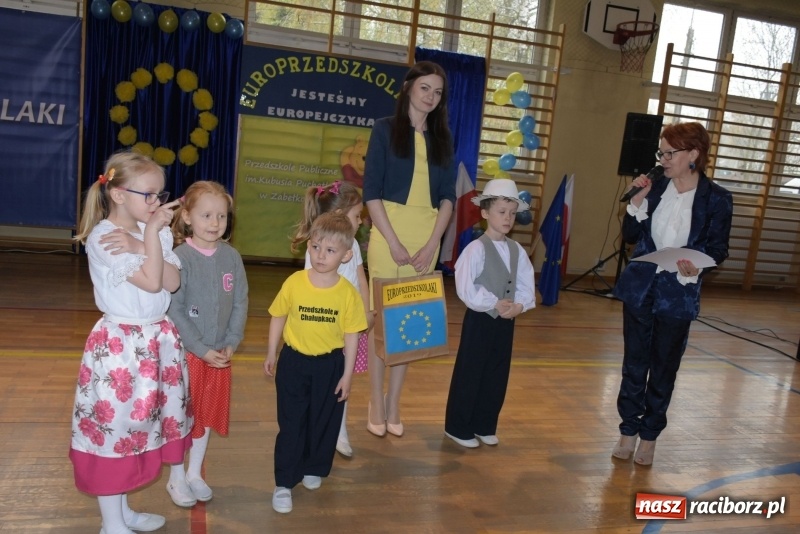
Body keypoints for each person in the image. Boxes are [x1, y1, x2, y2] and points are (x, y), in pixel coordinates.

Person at [69, 151, 192, 534]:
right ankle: (111, 524)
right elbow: (153, 281)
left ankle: (122, 513)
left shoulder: (146, 233)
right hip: (122, 346)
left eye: (159, 195)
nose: (157, 203)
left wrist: (145, 241)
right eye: (150, 195)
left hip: (157, 341)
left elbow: (173, 282)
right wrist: (151, 237)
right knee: (116, 430)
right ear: (119, 194)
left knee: (141, 428)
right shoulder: (105, 238)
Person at [612, 121, 733, 466]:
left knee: (664, 367)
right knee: (634, 363)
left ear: (693, 154)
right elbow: (631, 235)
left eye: (670, 153)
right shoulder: (654, 187)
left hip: (677, 293)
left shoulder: (717, 199)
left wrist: (701, 266)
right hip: (641, 287)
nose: (662, 159)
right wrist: (635, 201)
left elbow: (718, 248)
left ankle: (649, 437)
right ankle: (627, 430)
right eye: (660, 152)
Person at [362, 60, 456, 437]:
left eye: (437, 92)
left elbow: (448, 197)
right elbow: (371, 192)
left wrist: (433, 241)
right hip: (388, 235)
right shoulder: (384, 130)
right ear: (408, 88)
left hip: (425, 238)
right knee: (380, 321)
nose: (431, 97)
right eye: (425, 89)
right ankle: (375, 400)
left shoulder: (443, 139)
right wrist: (393, 241)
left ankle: (395, 403)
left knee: (410, 326)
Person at [264, 212, 367, 514]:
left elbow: (352, 335)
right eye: (316, 247)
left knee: (323, 421)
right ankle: (284, 482)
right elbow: (278, 315)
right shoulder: (295, 282)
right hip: (294, 362)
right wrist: (272, 351)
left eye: (330, 250)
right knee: (291, 422)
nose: (321, 256)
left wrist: (347, 375)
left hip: (330, 365)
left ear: (347, 254)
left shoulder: (348, 294)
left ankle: (314, 467)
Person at [166, 181, 249, 506]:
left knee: (206, 415)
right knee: (182, 416)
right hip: (188, 355)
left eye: (222, 216)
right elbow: (174, 307)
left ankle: (194, 472)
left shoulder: (231, 257)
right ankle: (175, 478)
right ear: (187, 216)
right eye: (206, 215)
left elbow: (240, 300)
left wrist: (231, 341)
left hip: (219, 355)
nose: (215, 224)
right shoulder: (179, 257)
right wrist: (200, 348)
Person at [443, 179, 537, 448]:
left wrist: (519, 305)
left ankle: (484, 424)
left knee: (497, 373)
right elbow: (466, 287)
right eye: (501, 212)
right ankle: (458, 426)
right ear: (485, 213)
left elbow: (524, 284)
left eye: (511, 213)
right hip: (481, 319)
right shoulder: (475, 249)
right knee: (470, 372)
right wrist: (494, 303)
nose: (507, 218)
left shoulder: (516, 250)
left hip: (506, 321)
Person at [292, 180, 373, 458]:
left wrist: (366, 312)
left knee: (342, 380)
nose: (360, 220)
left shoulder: (354, 248)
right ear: (339, 217)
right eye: (356, 215)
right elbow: (310, 291)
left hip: (349, 327)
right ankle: (314, 429)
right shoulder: (316, 253)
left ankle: (339, 430)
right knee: (319, 382)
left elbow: (362, 279)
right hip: (325, 329)